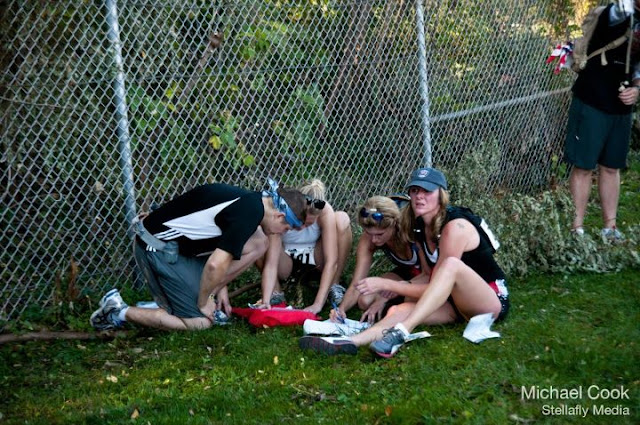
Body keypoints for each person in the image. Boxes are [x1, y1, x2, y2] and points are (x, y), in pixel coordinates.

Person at [299, 167, 509, 357]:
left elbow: (437, 284)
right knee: (396, 311)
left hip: (489, 300)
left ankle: (402, 332)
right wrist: (352, 305)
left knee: (450, 265)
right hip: (454, 302)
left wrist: (387, 285)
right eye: (415, 191)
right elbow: (428, 278)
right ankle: (350, 342)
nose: (419, 196)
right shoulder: (420, 226)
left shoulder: (455, 227)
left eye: (427, 191)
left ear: (441, 195)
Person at [89, 178, 307, 331]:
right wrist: (203, 302)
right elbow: (214, 265)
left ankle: (178, 302)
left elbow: (221, 246)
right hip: (156, 248)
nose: (282, 233)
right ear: (280, 216)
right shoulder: (249, 213)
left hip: (179, 248)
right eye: (286, 228)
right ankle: (117, 310)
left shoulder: (254, 202)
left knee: (259, 242)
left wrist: (220, 288)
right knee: (200, 323)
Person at [565, 0, 640, 241]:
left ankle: (610, 227)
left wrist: (637, 89)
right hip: (592, 99)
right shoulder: (618, 12)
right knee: (584, 166)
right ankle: (576, 229)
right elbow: (620, 10)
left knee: (611, 166)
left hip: (621, 104)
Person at [255, 179, 352, 314]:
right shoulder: (284, 209)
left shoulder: (324, 210)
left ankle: (334, 285)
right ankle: (275, 292)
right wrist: (265, 299)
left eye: (308, 224)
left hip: (316, 258)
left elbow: (331, 261)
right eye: (299, 222)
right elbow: (271, 263)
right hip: (285, 261)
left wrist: (317, 305)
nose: (301, 227)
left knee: (342, 219)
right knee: (258, 233)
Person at [330, 195, 421, 325]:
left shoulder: (412, 233)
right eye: (369, 233)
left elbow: (432, 274)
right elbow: (357, 283)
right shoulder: (369, 239)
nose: (374, 240)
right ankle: (394, 302)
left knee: (408, 298)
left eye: (379, 234)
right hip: (405, 273)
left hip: (426, 277)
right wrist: (341, 309)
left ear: (394, 225)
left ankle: (396, 305)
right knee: (364, 301)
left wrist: (385, 297)